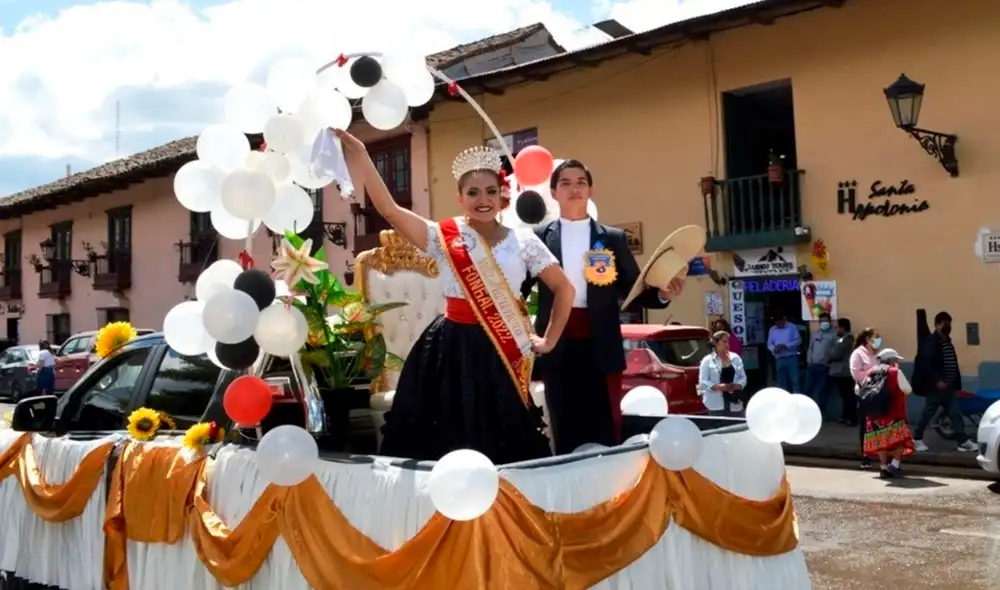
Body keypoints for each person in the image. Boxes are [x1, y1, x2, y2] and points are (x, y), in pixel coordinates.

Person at [335, 130, 576, 464]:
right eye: (473, 192)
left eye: (490, 191)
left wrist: (548, 340)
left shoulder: (524, 242)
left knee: (504, 434)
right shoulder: (443, 236)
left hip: (502, 346)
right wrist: (361, 154)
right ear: (460, 197)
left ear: (502, 195)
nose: (483, 199)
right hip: (450, 347)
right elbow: (390, 210)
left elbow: (565, 289)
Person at [522, 159, 684, 454]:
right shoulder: (539, 237)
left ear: (591, 190)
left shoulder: (611, 238)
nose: (574, 189)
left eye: (581, 182)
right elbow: (518, 288)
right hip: (555, 342)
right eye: (566, 183)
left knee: (605, 423)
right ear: (554, 192)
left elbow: (634, 290)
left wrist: (663, 294)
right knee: (563, 421)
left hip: (601, 342)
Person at [911, 311, 977, 452]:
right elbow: (927, 364)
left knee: (955, 413)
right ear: (937, 325)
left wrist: (955, 382)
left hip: (949, 386)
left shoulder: (947, 342)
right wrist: (937, 381)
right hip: (936, 387)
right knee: (928, 413)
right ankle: (916, 438)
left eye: (948, 323)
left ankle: (963, 441)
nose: (947, 326)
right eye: (943, 323)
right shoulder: (931, 342)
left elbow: (952, 362)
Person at [861, 348, 916, 478]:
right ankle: (894, 465)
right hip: (894, 413)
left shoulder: (871, 372)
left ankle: (883, 468)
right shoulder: (895, 372)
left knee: (881, 443)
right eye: (896, 359)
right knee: (901, 441)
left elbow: (863, 389)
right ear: (891, 360)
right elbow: (907, 389)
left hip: (874, 416)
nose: (897, 362)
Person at [850, 327, 881, 469]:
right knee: (865, 425)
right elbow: (856, 374)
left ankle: (880, 453)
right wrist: (873, 372)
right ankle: (866, 456)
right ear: (868, 340)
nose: (878, 341)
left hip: (879, 393)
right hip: (864, 394)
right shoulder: (858, 354)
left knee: (878, 424)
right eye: (876, 338)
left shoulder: (877, 354)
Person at [698, 331, 748, 416]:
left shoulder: (735, 358)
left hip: (735, 402)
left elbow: (743, 378)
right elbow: (703, 382)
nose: (727, 344)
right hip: (715, 404)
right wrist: (717, 387)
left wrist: (736, 386)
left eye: (728, 341)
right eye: (724, 342)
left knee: (737, 423)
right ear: (716, 343)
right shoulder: (707, 360)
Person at [805, 312, 837, 416]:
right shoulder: (815, 334)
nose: (824, 323)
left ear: (830, 321)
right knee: (808, 388)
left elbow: (835, 351)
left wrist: (829, 361)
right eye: (821, 321)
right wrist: (809, 361)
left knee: (822, 390)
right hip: (813, 366)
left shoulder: (834, 335)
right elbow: (810, 349)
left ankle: (820, 413)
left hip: (825, 367)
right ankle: (805, 411)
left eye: (825, 321)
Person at [827, 317, 857, 426]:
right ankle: (845, 416)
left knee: (848, 396)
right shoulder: (843, 339)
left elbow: (836, 354)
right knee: (845, 396)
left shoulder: (847, 339)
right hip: (842, 371)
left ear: (842, 328)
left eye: (837, 328)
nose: (836, 330)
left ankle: (852, 418)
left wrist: (830, 355)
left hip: (845, 372)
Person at [767, 314, 801, 392]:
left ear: (784, 320)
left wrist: (787, 345)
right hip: (779, 358)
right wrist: (774, 348)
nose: (778, 325)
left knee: (795, 380)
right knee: (781, 381)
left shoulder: (792, 327)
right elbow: (769, 344)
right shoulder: (772, 329)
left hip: (791, 357)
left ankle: (796, 396)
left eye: (780, 323)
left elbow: (798, 340)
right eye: (776, 324)